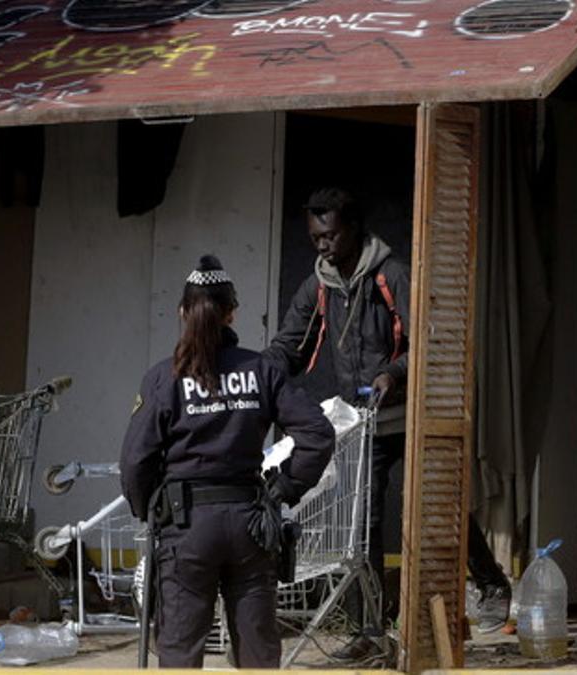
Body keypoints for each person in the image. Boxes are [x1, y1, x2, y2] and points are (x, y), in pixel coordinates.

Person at [264, 188, 513, 659]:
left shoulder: (392, 274)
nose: (323, 246)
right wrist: (257, 375)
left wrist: (394, 374)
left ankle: (492, 583)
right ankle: (371, 632)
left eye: (331, 235)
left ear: (355, 229)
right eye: (316, 237)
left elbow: (433, 340)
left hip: (413, 414)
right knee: (364, 525)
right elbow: (288, 346)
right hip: (365, 424)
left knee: (437, 505)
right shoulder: (318, 284)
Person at [120, 255, 335, 669]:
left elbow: (135, 461)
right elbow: (317, 435)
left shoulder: (164, 378)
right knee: (257, 651)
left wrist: (149, 509)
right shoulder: (262, 370)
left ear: (183, 312)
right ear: (232, 313)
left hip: (186, 528)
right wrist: (283, 489)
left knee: (180, 651)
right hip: (250, 525)